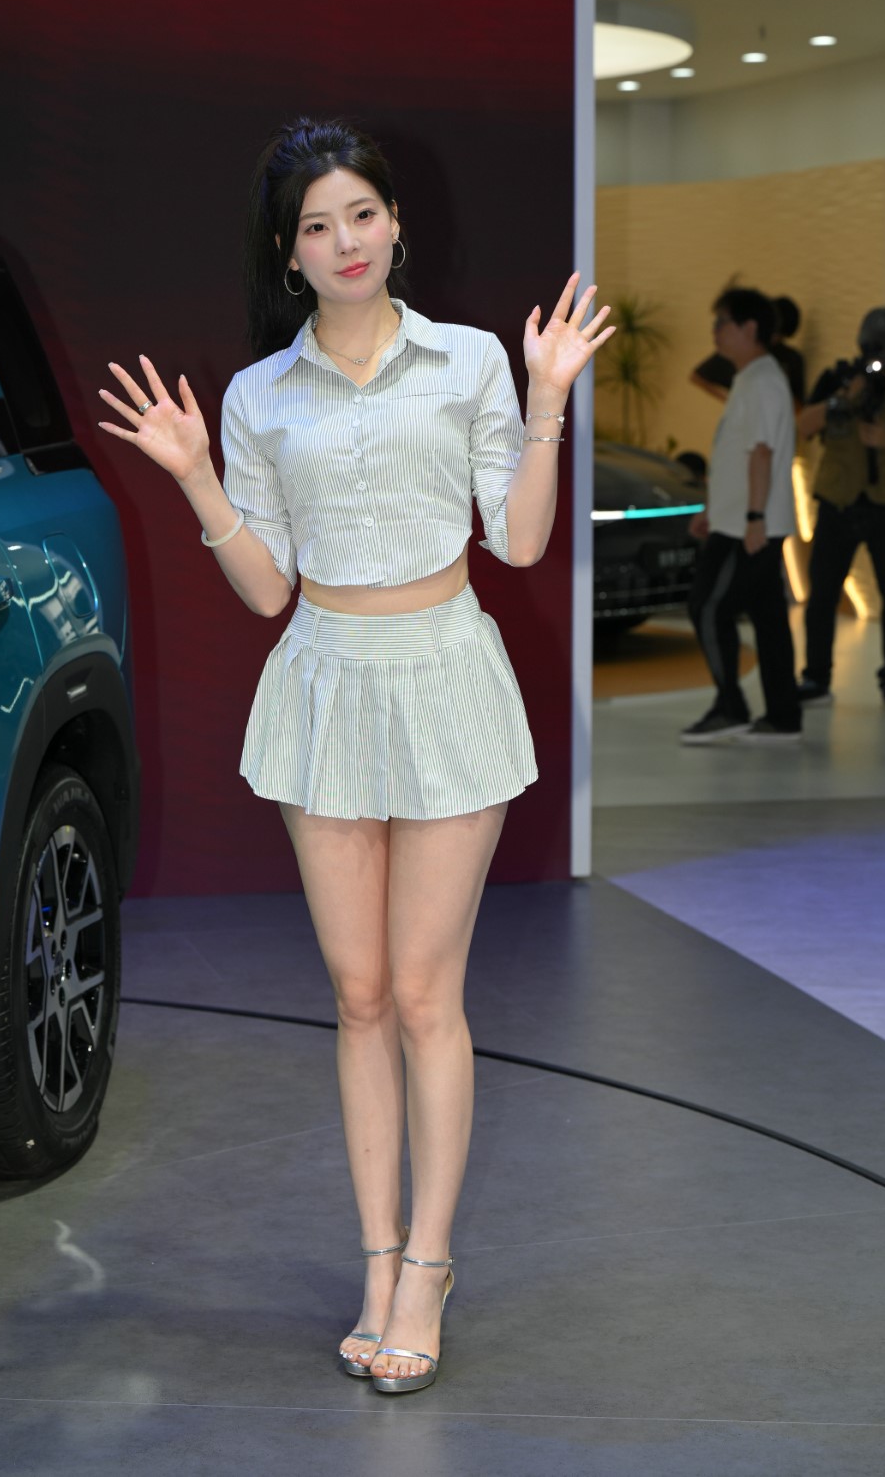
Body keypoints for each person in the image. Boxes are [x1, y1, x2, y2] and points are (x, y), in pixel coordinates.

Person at [98, 118, 613, 1394]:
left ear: (395, 225)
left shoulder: (472, 360)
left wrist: (548, 400)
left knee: (427, 995)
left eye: (362, 216)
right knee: (360, 995)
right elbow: (267, 592)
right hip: (323, 684)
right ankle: (377, 1258)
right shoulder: (258, 397)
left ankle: (428, 1267)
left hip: (444, 679)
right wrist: (196, 478)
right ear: (288, 253)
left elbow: (522, 543)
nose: (345, 243)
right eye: (317, 226)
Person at [682, 287, 801, 744]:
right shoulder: (752, 378)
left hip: (747, 527)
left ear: (749, 328)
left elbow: (762, 453)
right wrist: (713, 509)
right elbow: (738, 454)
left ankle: (730, 707)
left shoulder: (763, 381)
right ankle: (783, 716)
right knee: (768, 617)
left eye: (722, 323)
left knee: (708, 607)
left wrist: (753, 518)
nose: (715, 332)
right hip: (738, 519)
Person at [795, 307, 885, 708]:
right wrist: (841, 399)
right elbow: (802, 427)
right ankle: (815, 678)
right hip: (837, 502)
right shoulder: (837, 378)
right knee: (822, 594)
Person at [691, 293, 805, 410]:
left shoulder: (792, 358)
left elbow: (799, 406)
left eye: (780, 334)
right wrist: (729, 400)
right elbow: (698, 377)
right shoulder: (744, 350)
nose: (774, 337)